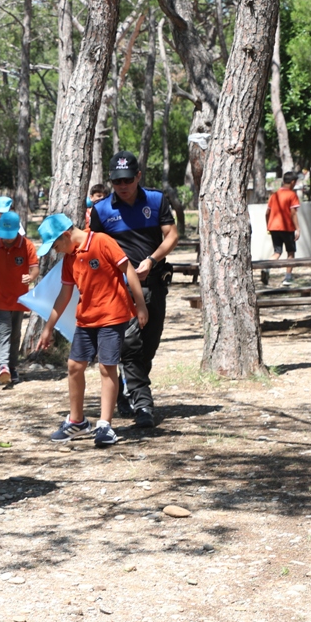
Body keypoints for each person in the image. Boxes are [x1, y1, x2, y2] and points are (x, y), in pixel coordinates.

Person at [36, 214, 149, 446]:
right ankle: (77, 421)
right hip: (86, 320)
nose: (56, 251)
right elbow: (64, 295)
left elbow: (128, 271)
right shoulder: (69, 259)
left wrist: (141, 305)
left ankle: (105, 426)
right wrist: (48, 328)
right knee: (74, 366)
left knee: (108, 368)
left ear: (66, 235)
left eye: (56, 245)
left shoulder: (101, 241)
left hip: (112, 316)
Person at [88, 150, 178, 429]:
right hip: (119, 291)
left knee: (147, 347)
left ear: (138, 176)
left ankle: (128, 391)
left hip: (154, 285)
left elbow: (172, 234)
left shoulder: (156, 199)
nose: (123, 186)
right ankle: (143, 405)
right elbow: (94, 248)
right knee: (129, 345)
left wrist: (151, 260)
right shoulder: (101, 210)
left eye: (128, 179)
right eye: (117, 181)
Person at [0, 211, 39, 385]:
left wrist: (31, 277)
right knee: (4, 330)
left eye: (10, 236)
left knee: (15, 333)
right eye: (4, 236)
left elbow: (35, 268)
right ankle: (3, 366)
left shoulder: (27, 245)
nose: (7, 240)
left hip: (18, 297)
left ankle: (13, 367)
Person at [264, 172, 302, 287]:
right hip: (287, 227)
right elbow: (293, 213)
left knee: (277, 252)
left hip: (274, 227)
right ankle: (288, 277)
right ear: (292, 182)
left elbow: (267, 213)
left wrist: (268, 226)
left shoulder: (274, 195)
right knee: (290, 252)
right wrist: (297, 228)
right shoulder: (292, 195)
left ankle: (266, 268)